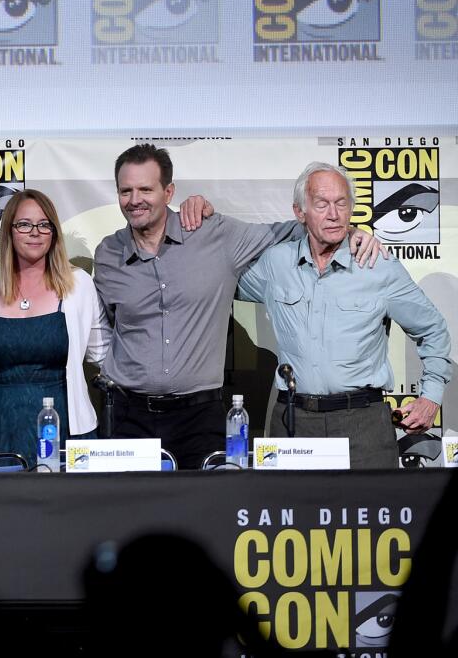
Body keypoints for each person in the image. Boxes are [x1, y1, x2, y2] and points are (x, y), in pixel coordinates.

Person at [93, 143, 382, 470]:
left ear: (168, 191)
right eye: (125, 191)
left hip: (200, 419)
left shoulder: (215, 234)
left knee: (207, 514)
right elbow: (104, 327)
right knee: (127, 513)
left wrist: (353, 232)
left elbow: (290, 231)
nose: (135, 200)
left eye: (145, 189)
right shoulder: (107, 254)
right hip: (128, 417)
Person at [236, 162, 451, 468]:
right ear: (300, 212)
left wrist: (430, 398)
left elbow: (433, 329)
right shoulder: (275, 265)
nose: (334, 214)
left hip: (363, 425)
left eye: (342, 203)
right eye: (321, 204)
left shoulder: (378, 265)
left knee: (374, 515)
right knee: (291, 515)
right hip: (293, 422)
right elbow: (218, 282)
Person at [0, 190, 109, 467]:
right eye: (24, 224)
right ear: (9, 230)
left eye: (44, 224)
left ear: (54, 233)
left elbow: (103, 353)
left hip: (65, 427)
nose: (35, 232)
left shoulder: (78, 285)